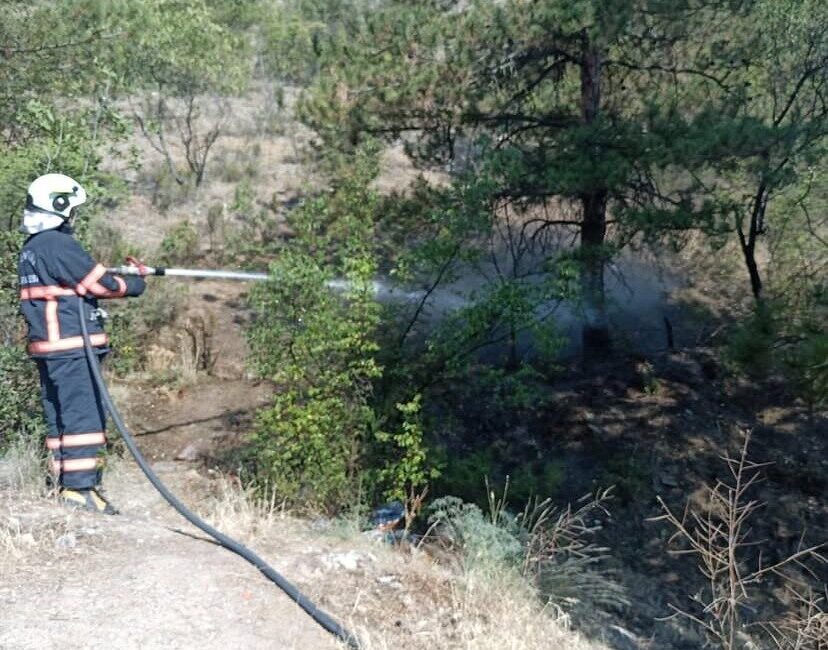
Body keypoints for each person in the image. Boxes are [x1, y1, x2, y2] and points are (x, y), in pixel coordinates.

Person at [18, 173, 148, 514]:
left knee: (60, 417)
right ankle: (81, 490)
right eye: (71, 208)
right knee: (83, 417)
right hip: (72, 348)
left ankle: (66, 485)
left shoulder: (32, 248)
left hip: (49, 348)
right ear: (58, 206)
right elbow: (100, 283)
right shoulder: (58, 244)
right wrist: (135, 284)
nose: (73, 215)